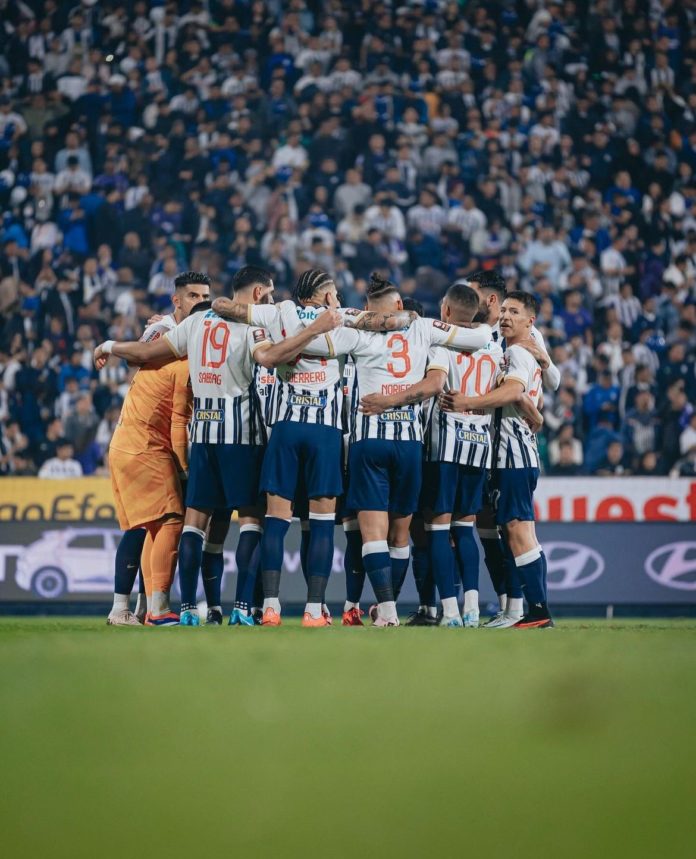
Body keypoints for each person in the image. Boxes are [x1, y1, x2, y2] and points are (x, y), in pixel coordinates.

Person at [95, 271, 343, 627]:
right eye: (269, 295)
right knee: (252, 520)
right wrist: (312, 330)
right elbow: (269, 359)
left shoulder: (196, 322)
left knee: (195, 522)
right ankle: (242, 608)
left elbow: (146, 352)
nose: (272, 301)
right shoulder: (253, 326)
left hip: (203, 436)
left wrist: (108, 346)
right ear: (257, 294)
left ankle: (187, 609)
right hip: (241, 436)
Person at [211, 269, 416, 627]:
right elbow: (387, 322)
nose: (338, 298)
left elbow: (225, 307)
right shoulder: (344, 320)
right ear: (326, 297)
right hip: (325, 432)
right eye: (334, 292)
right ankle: (314, 609)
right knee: (321, 523)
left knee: (276, 521)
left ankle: (271, 606)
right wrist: (408, 316)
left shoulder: (279, 312)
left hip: (286, 428)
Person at [301, 273, 493, 626]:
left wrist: (346, 316)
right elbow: (481, 336)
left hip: (369, 441)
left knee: (372, 534)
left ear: (368, 308)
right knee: (400, 535)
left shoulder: (357, 333)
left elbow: (312, 343)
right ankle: (390, 609)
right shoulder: (422, 328)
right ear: (400, 305)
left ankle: (386, 611)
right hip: (409, 443)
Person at [97, 272, 211, 627]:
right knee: (168, 520)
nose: (199, 302)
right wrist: (185, 466)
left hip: (132, 440)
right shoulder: (168, 339)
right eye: (193, 296)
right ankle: (152, 608)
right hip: (146, 444)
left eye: (204, 297)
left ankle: (135, 607)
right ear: (177, 300)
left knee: (146, 526)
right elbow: (142, 362)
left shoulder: (174, 337)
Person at [441, 291, 553, 629]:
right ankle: (532, 610)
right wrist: (534, 411)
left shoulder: (518, 352)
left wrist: (468, 402)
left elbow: (514, 391)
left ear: (529, 321)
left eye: (514, 312)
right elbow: (526, 396)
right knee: (521, 531)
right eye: (503, 310)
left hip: (513, 454)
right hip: (516, 452)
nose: (504, 316)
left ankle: (537, 611)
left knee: (518, 532)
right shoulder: (520, 352)